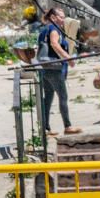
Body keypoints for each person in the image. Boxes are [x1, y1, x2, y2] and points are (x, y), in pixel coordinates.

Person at [38, 8, 81, 136]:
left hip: (44, 67)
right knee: (63, 96)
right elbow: (54, 44)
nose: (63, 20)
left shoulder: (44, 29)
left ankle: (45, 128)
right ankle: (67, 126)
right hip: (54, 68)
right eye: (61, 17)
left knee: (48, 98)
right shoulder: (54, 29)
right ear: (53, 17)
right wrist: (68, 58)